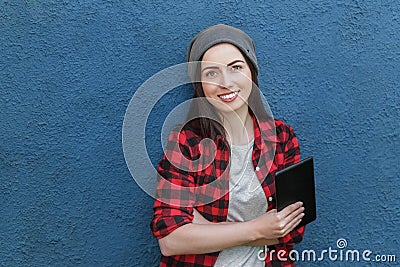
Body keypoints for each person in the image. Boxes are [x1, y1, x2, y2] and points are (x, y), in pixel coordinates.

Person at [151, 24, 305, 267]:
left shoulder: (282, 137)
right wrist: (256, 229)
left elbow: (292, 230)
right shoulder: (186, 142)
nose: (226, 82)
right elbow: (171, 240)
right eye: (212, 73)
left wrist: (203, 228)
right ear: (200, 84)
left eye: (236, 68)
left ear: (252, 73)